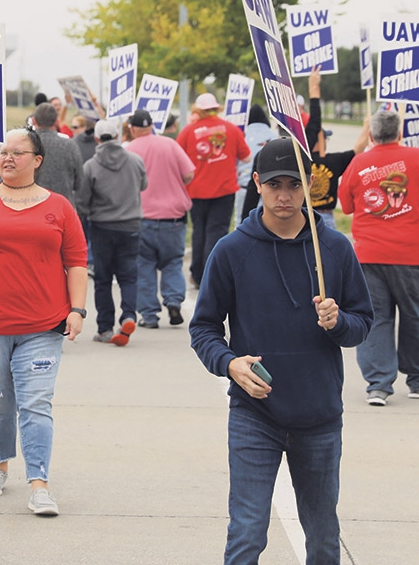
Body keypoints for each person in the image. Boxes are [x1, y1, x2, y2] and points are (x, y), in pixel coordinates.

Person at [189, 137, 373, 565]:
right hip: (255, 415)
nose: (285, 195)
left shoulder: (335, 249)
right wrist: (230, 363)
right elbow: (203, 328)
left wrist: (338, 321)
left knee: (324, 536)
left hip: (319, 416)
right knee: (248, 533)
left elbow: (363, 324)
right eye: (274, 185)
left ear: (310, 184)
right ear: (257, 184)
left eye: (294, 184)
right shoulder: (233, 249)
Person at [0, 127, 87, 517]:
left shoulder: (59, 206)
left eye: (17, 153)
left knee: (36, 402)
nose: (7, 158)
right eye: (4, 152)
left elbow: (76, 261)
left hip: (42, 324)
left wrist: (78, 309)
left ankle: (39, 483)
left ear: (37, 161)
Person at [339, 110, 419, 406]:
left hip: (369, 256)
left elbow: (345, 205)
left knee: (376, 318)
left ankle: (378, 384)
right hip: (415, 255)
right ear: (400, 134)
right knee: (416, 316)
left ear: (371, 136)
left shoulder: (358, 163)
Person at [77, 117, 148, 344]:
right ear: (117, 136)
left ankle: (105, 328)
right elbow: (143, 185)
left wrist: (90, 212)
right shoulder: (135, 160)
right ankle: (128, 315)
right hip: (131, 226)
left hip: (102, 227)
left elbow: (82, 200)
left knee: (103, 279)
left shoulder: (91, 166)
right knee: (128, 277)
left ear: (97, 138)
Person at [124, 108, 195, 328]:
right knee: (173, 262)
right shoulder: (170, 144)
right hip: (173, 217)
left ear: (132, 129)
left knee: (144, 266)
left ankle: (149, 315)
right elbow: (189, 174)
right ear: (152, 125)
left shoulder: (129, 150)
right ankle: (173, 301)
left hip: (141, 218)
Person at [177, 92, 251, 288]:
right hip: (224, 190)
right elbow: (247, 157)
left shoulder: (188, 131)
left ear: (198, 110)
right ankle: (212, 275)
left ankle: (197, 273)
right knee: (216, 232)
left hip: (196, 190)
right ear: (216, 109)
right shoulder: (232, 129)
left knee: (199, 232)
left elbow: (177, 157)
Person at [302, 68, 370, 227]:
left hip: (304, 217)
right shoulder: (333, 161)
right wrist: (367, 127)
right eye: (326, 138)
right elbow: (358, 150)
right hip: (326, 219)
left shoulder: (301, 161)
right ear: (320, 140)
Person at [30, 102, 83, 206]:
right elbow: (79, 182)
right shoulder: (70, 145)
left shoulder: (27, 145)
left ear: (33, 121)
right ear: (57, 122)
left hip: (33, 207)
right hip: (64, 207)